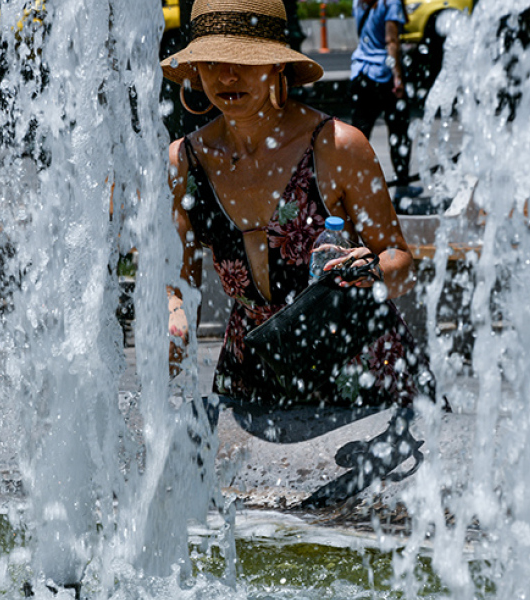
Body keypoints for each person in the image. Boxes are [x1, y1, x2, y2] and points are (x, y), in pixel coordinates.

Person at [161, 0, 432, 506]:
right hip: (256, 378)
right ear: (194, 69)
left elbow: (401, 261)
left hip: (360, 374)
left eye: (245, 59)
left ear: (277, 64)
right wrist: (173, 314)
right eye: (213, 61)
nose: (227, 75)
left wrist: (370, 270)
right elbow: (177, 280)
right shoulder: (184, 161)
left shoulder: (337, 146)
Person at [349, 0, 422, 200]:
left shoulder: (359, 2)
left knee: (359, 136)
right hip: (384, 75)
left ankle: (351, 187)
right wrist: (397, 76)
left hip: (361, 73)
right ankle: (402, 187)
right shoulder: (390, 2)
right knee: (399, 132)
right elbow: (391, 41)